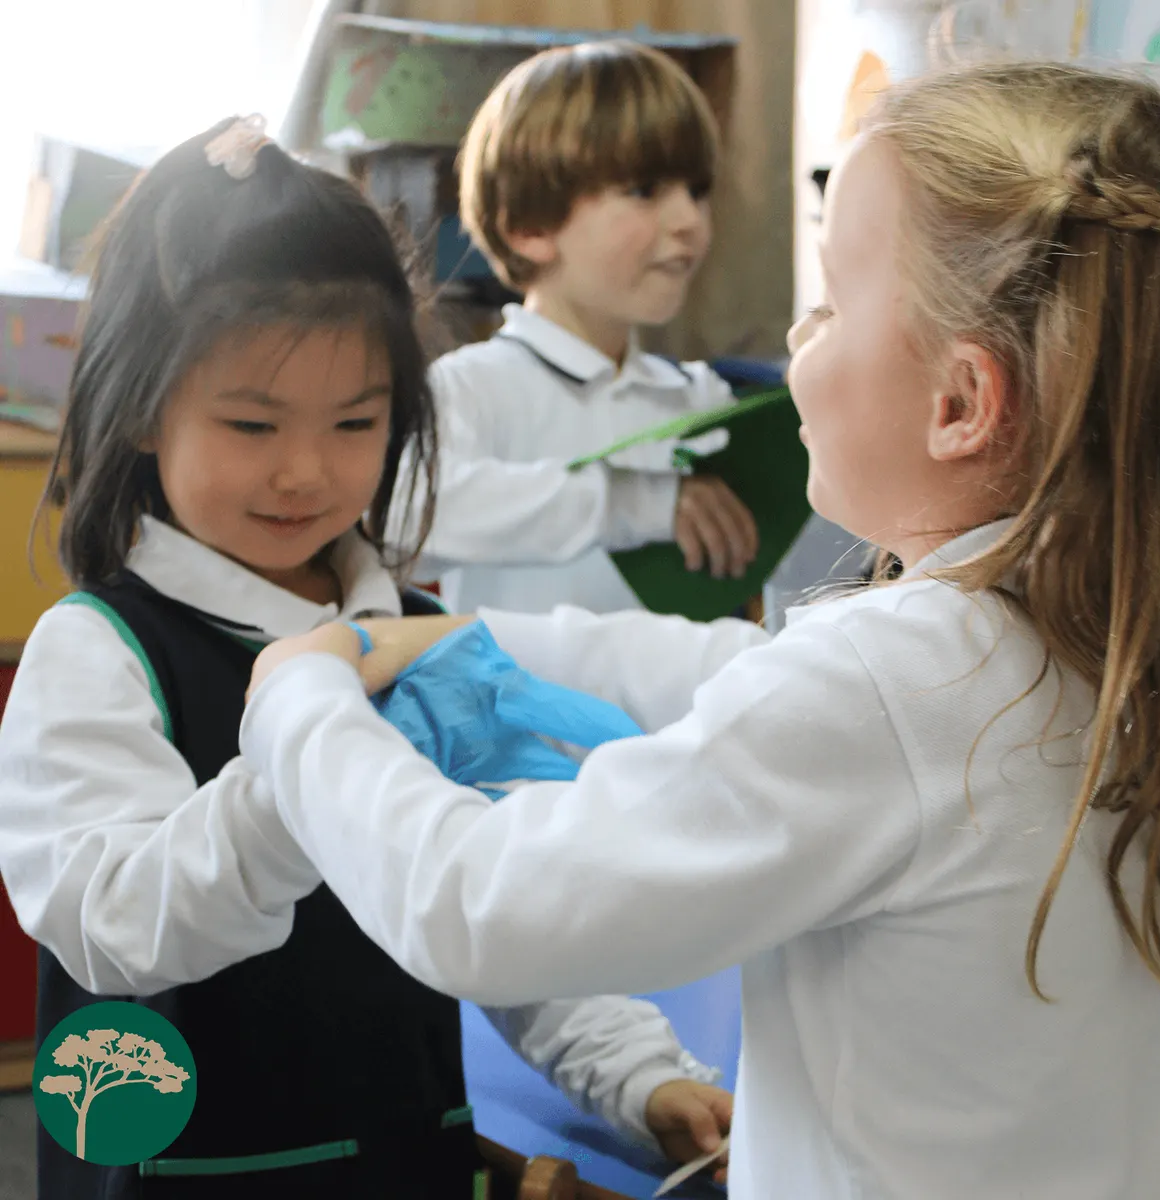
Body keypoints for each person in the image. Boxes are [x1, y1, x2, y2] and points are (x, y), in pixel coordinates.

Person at [240, 62, 1160, 1198]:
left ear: (961, 404)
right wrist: (473, 638)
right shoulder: (1128, 639)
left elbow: (477, 903)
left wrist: (300, 703)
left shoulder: (894, 681)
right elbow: (760, 674)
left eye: (831, 302)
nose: (797, 328)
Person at [0, 117, 732, 1200]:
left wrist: (636, 1075)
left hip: (408, 1157)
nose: (304, 471)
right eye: (252, 426)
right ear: (145, 411)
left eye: (354, 424)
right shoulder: (101, 649)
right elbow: (116, 926)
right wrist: (313, 749)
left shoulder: (417, 631)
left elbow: (497, 899)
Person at [388, 41, 759, 615]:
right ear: (530, 227)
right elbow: (404, 519)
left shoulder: (698, 398)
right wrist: (633, 503)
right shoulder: (471, 387)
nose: (690, 220)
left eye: (697, 190)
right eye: (643, 191)